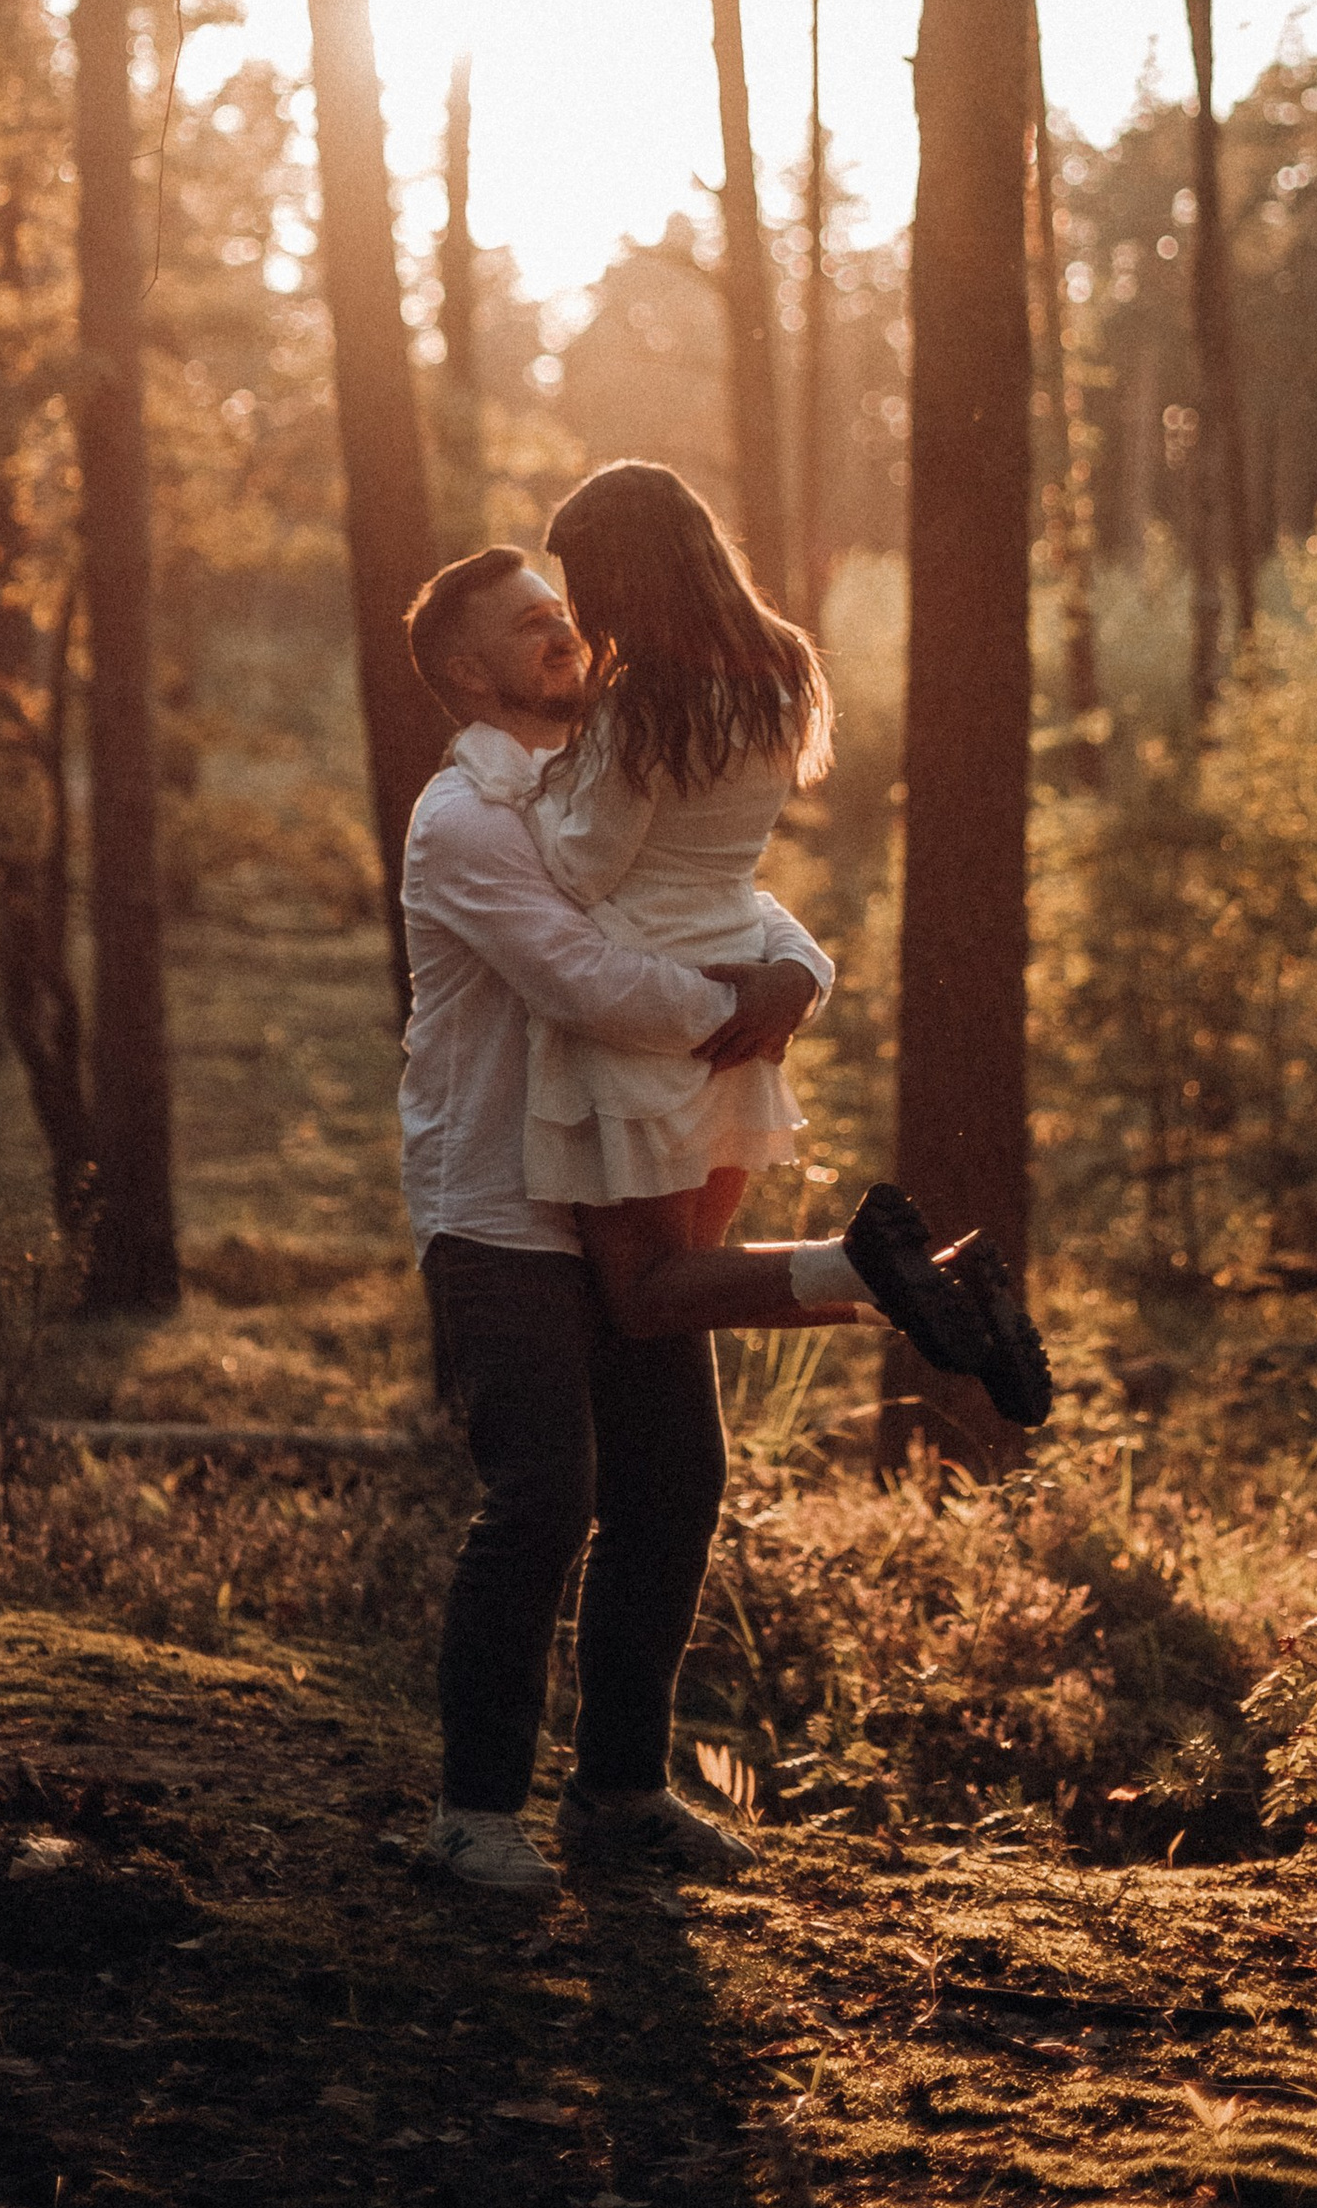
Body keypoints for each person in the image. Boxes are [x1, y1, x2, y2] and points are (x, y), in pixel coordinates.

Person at [398, 532, 1020, 1904]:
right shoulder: (468, 819)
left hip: (622, 1174)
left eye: (561, 607)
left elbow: (710, 892)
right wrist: (743, 1006)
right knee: (543, 1496)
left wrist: (796, 964)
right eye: (524, 625)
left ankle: (619, 1796)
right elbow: (582, 980)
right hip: (500, 1205)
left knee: (676, 1481)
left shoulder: (595, 772)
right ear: (461, 667)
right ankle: (470, 1814)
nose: (561, 629)